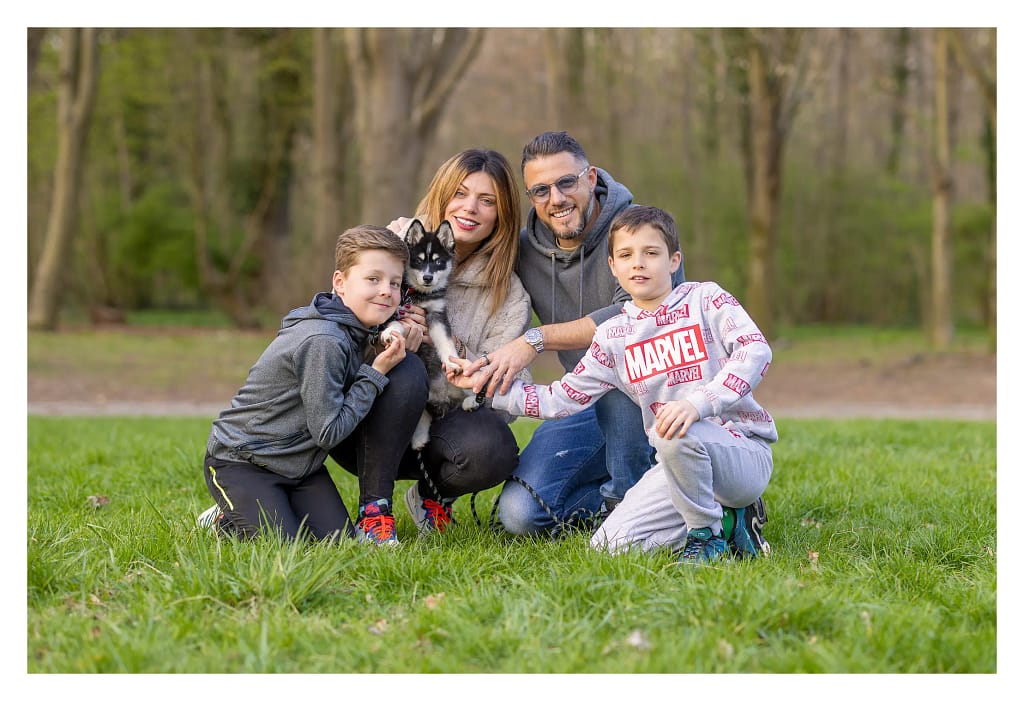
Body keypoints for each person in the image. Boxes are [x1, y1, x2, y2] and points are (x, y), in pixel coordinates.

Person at [450, 205, 775, 563]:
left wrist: (698, 404)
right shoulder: (613, 336)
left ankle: (705, 537)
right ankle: (730, 521)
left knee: (674, 432)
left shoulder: (706, 299)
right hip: (676, 466)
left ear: (674, 261)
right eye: (626, 255)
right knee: (609, 547)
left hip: (740, 452)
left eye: (651, 253)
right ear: (613, 268)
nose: (638, 263)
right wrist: (484, 386)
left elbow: (755, 350)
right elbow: (561, 400)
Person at [464, 130, 688, 535]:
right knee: (520, 515)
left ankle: (649, 498)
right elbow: (463, 253)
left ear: (590, 178)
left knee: (620, 379)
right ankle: (635, 499)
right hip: (583, 400)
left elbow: (631, 317)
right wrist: (405, 238)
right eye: (541, 190)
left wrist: (536, 339)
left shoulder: (640, 234)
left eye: (566, 182)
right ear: (530, 198)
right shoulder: (524, 248)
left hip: (656, 398)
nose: (557, 199)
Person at [201, 225, 429, 545]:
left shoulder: (356, 330)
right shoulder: (324, 340)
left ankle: (261, 508)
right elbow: (329, 433)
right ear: (340, 283)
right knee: (284, 550)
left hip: (300, 469)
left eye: (394, 283)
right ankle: (228, 516)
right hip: (243, 462)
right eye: (373, 279)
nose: (386, 291)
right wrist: (376, 372)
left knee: (337, 546)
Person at [385, 148, 533, 534]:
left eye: (487, 201)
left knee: (492, 447)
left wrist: (456, 350)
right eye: (461, 193)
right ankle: (278, 483)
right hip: (375, 406)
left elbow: (506, 391)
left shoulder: (509, 294)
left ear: (502, 214)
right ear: (441, 194)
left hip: (444, 421)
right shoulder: (393, 246)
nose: (470, 208)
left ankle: (432, 496)